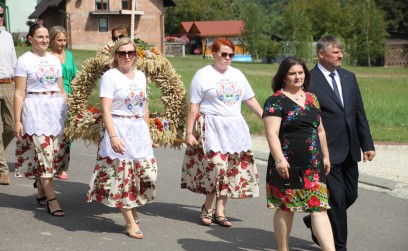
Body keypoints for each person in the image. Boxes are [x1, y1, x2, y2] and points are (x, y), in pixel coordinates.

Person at [181, 37, 263, 227]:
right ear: (213, 53)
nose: (227, 58)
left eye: (231, 55)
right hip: (211, 127)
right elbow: (194, 107)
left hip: (235, 128)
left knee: (231, 170)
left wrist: (265, 118)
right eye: (223, 54)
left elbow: (250, 99)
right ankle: (207, 208)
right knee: (217, 168)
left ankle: (220, 212)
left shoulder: (238, 74)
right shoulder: (202, 75)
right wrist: (189, 132)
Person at [304, 35, 376, 251]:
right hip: (326, 150)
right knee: (336, 201)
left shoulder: (348, 77)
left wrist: (367, 144)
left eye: (341, 51)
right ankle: (338, 246)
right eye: (335, 52)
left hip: (350, 149)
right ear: (321, 54)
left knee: (350, 194)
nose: (341, 55)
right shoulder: (308, 79)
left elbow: (358, 112)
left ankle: (316, 219)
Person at [86, 37, 157, 239]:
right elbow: (105, 110)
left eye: (130, 53)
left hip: (138, 130)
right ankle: (129, 222)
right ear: (115, 55)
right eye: (122, 53)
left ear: (136, 55)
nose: (127, 56)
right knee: (123, 178)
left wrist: (148, 133)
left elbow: (144, 106)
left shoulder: (141, 76)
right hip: (119, 127)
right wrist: (113, 136)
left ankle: (132, 212)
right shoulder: (110, 77)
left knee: (147, 174)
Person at [263, 56, 335, 251]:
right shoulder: (275, 101)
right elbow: (271, 134)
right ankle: (283, 248)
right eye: (292, 73)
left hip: (313, 165)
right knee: (287, 208)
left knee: (319, 208)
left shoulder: (312, 98)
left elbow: (320, 130)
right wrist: (279, 160)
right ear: (283, 77)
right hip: (288, 165)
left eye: (301, 72)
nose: (297, 77)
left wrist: (326, 156)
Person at [14, 23, 68, 217]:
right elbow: (19, 93)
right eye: (40, 37)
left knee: (56, 155)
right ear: (30, 39)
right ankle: (53, 201)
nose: (44, 40)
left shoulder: (54, 61)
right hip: (35, 111)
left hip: (56, 111)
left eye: (46, 37)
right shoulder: (24, 61)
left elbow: (61, 90)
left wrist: (71, 112)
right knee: (45, 156)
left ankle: (42, 186)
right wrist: (18, 120)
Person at [49, 25, 77, 181]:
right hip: (52, 95)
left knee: (67, 132)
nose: (63, 43)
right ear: (52, 40)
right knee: (53, 131)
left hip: (69, 94)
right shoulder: (47, 57)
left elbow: (74, 75)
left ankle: (62, 166)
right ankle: (50, 162)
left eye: (65, 40)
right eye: (60, 40)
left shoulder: (69, 55)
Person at [0, 6, 16, 185]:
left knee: (12, 127)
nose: (0, 18)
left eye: (1, 15)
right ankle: (3, 170)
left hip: (8, 84)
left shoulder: (8, 37)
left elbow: (14, 62)